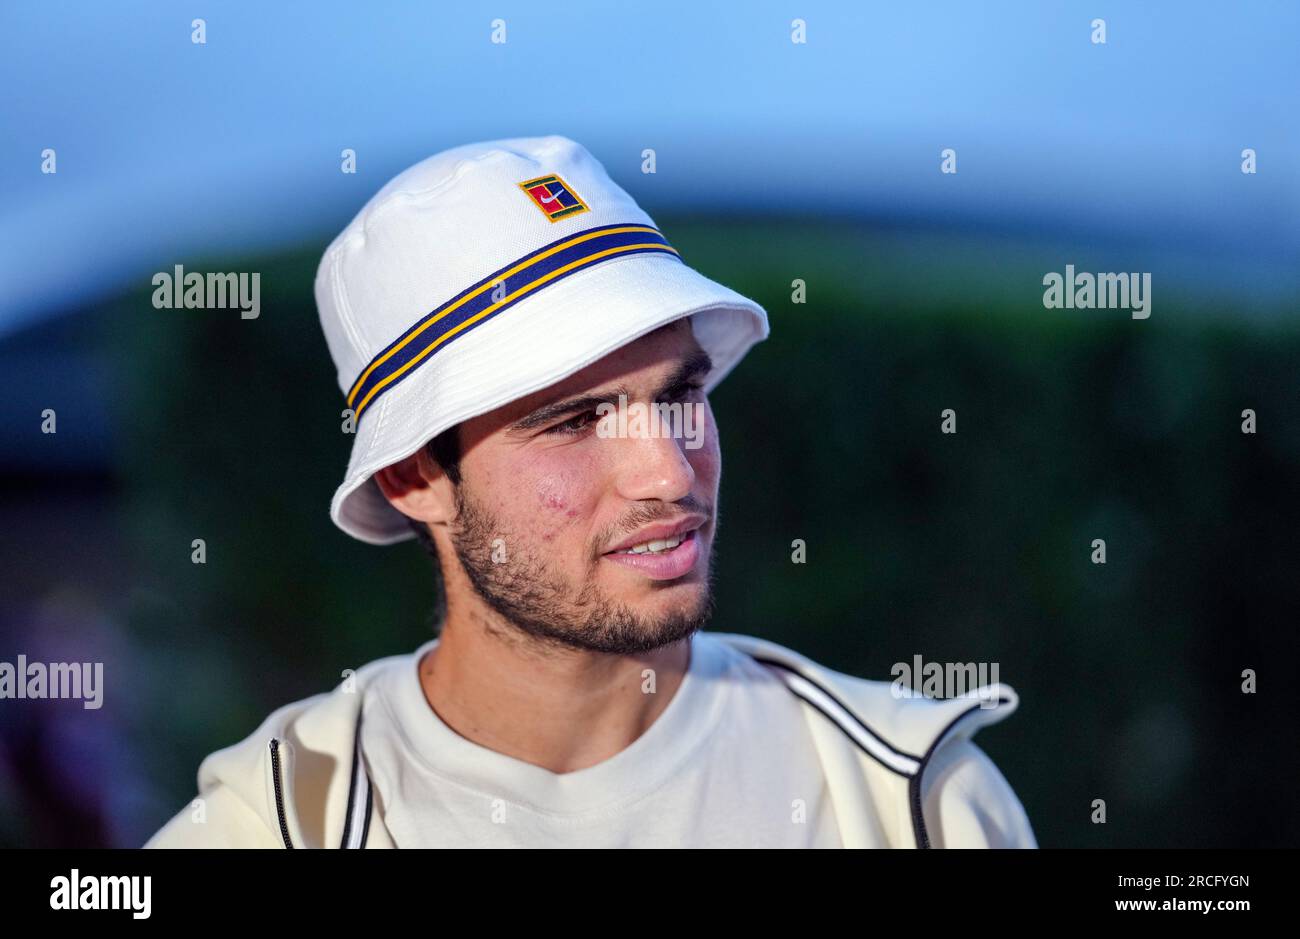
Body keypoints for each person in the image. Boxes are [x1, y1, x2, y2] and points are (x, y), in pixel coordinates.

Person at [145, 135, 1036, 848]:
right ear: (414, 476)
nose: (669, 471)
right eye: (572, 422)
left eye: (680, 394)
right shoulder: (282, 819)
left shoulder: (912, 795)